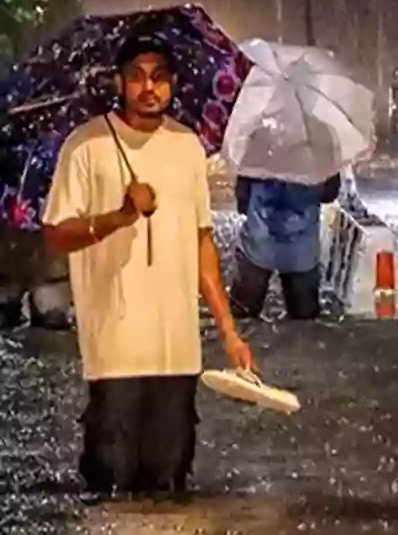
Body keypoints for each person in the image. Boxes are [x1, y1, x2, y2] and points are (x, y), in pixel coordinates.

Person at [41, 33, 254, 497]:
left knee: (169, 489)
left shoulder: (187, 148)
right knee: (112, 489)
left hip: (177, 350)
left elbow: (201, 241)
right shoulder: (87, 145)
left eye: (158, 77)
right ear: (120, 82)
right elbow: (57, 234)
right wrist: (119, 217)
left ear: (173, 84)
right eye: (136, 76)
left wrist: (229, 333)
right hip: (115, 350)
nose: (148, 87)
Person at [231, 173, 341, 320]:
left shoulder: (256, 152)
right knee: (304, 323)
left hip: (259, 241)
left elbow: (242, 199)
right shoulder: (319, 154)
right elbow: (329, 194)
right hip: (302, 250)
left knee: (241, 317)